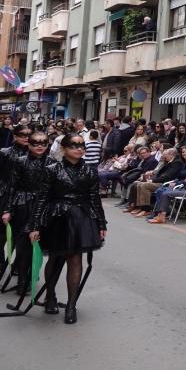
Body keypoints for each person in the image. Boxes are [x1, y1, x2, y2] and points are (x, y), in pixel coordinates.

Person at [29, 133, 107, 324]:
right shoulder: (51, 170)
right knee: (55, 258)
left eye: (82, 146)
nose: (79, 149)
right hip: (57, 217)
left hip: (81, 217)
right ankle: (50, 296)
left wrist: (101, 223)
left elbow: (94, 198)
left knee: (75, 259)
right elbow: (42, 199)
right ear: (63, 148)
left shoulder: (90, 171)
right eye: (74, 146)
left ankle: (71, 306)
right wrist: (35, 226)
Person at [3, 130, 51, 297]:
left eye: (43, 143)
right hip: (22, 205)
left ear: (48, 144)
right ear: (29, 145)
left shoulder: (53, 163)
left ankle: (32, 277)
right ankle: (22, 281)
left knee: (37, 245)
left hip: (44, 207)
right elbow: (12, 186)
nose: (39, 146)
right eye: (35, 143)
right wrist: (7, 209)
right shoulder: (20, 161)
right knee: (22, 245)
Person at [125, 148, 184, 217]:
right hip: (159, 180)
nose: (164, 156)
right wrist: (152, 179)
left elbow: (168, 176)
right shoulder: (168, 161)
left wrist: (153, 180)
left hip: (166, 183)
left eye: (166, 155)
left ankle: (146, 209)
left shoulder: (177, 163)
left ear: (172, 155)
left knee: (144, 185)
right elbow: (158, 173)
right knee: (136, 184)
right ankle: (135, 205)